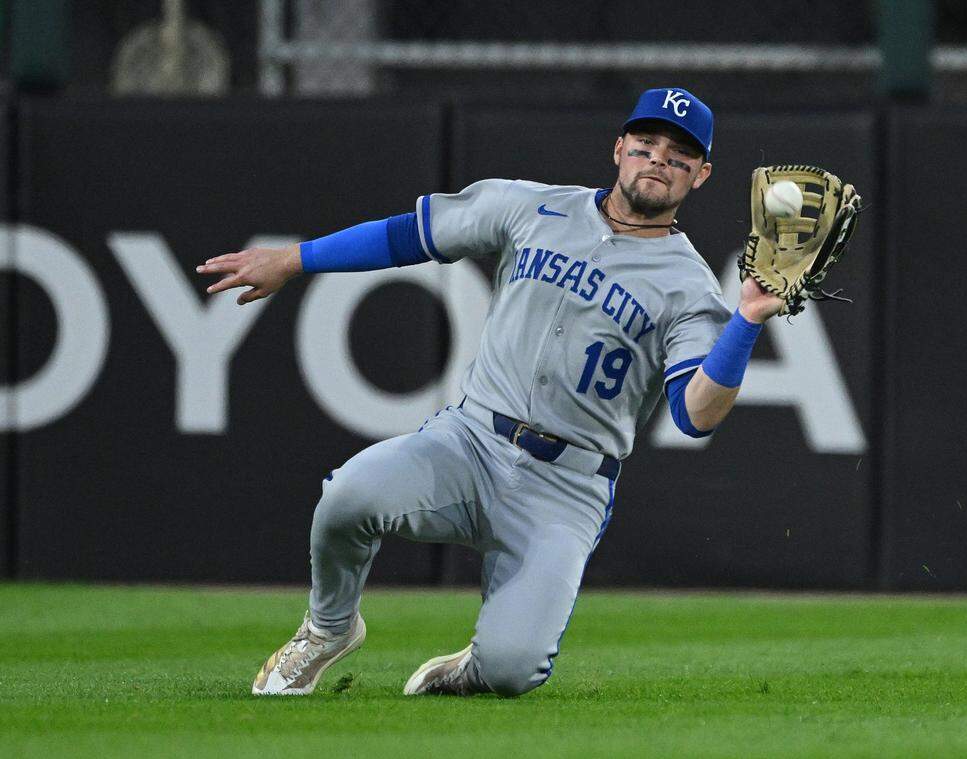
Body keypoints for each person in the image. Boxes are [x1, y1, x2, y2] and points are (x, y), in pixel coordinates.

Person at [197, 87, 785, 698]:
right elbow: (411, 235)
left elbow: (696, 415)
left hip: (567, 487)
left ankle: (470, 668)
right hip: (471, 442)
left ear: (702, 175)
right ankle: (328, 628)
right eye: (646, 143)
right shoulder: (530, 207)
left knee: (511, 671)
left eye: (680, 154)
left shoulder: (690, 288)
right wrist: (295, 260)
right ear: (619, 149)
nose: (658, 159)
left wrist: (745, 320)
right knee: (346, 498)